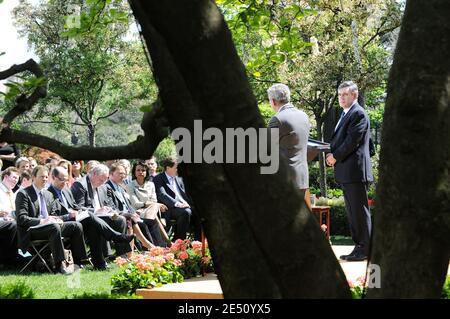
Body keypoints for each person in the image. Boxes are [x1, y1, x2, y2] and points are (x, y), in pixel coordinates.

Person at [48, 166, 134, 270]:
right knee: (90, 217)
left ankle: (102, 262)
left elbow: (75, 206)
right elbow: (54, 214)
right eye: (62, 179)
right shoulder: (50, 193)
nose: (65, 182)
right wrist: (89, 211)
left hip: (84, 218)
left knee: (113, 222)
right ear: (53, 177)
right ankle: (114, 236)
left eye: (66, 180)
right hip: (68, 221)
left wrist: (108, 210)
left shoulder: (65, 190)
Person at [326, 81, 373, 262]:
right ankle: (359, 247)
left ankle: (365, 249)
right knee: (353, 213)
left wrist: (335, 156)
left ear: (355, 95)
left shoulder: (358, 113)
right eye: (339, 95)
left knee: (359, 212)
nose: (342, 98)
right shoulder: (346, 113)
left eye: (345, 94)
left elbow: (352, 141)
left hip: (355, 171)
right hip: (348, 171)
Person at [15, 165, 88, 274]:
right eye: (41, 177)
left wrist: (59, 219)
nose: (44, 179)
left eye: (46, 177)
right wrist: (43, 221)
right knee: (54, 227)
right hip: (32, 230)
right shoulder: (24, 194)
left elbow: (53, 215)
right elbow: (22, 219)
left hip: (50, 227)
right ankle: (59, 265)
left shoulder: (48, 194)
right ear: (33, 177)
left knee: (76, 225)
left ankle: (78, 261)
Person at [71, 164, 131, 267]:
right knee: (94, 227)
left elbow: (107, 203)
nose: (103, 182)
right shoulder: (80, 185)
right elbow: (78, 207)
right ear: (93, 174)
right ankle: (112, 240)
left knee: (121, 220)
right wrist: (96, 210)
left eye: (104, 180)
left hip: (101, 217)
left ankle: (121, 257)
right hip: (85, 219)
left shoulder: (102, 186)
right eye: (101, 180)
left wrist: (109, 210)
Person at [267, 83, 311, 208]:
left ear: (274, 101)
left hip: (284, 180)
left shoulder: (278, 119)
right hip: (301, 178)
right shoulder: (304, 116)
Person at [104, 162, 156, 250]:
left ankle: (149, 248)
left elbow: (128, 205)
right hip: (116, 216)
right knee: (131, 220)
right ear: (111, 174)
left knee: (144, 223)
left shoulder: (120, 187)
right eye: (120, 173)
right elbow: (111, 206)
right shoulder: (107, 187)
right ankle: (147, 247)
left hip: (128, 215)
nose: (123, 176)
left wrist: (134, 213)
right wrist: (128, 214)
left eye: (124, 174)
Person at [153, 156, 200, 241]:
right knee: (186, 212)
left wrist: (190, 203)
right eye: (176, 168)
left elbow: (187, 194)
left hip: (184, 205)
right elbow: (162, 195)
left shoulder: (179, 179)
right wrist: (178, 204)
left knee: (199, 211)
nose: (179, 170)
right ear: (168, 168)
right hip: (169, 207)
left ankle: (198, 242)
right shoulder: (158, 178)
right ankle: (179, 242)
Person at [126, 161, 168, 247]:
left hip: (151, 210)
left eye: (143, 170)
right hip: (138, 212)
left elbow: (154, 200)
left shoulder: (151, 184)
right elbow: (135, 204)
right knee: (154, 216)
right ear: (134, 172)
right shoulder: (130, 185)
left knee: (153, 213)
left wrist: (152, 204)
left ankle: (160, 246)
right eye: (138, 170)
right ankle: (165, 244)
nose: (141, 172)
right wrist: (153, 204)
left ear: (147, 172)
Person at [0, 167, 20, 268]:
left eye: (17, 179)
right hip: (2, 220)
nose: (16, 181)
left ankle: (29, 257)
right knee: (12, 225)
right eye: (14, 177)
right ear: (6, 177)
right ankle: (9, 260)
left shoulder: (12, 193)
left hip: (11, 220)